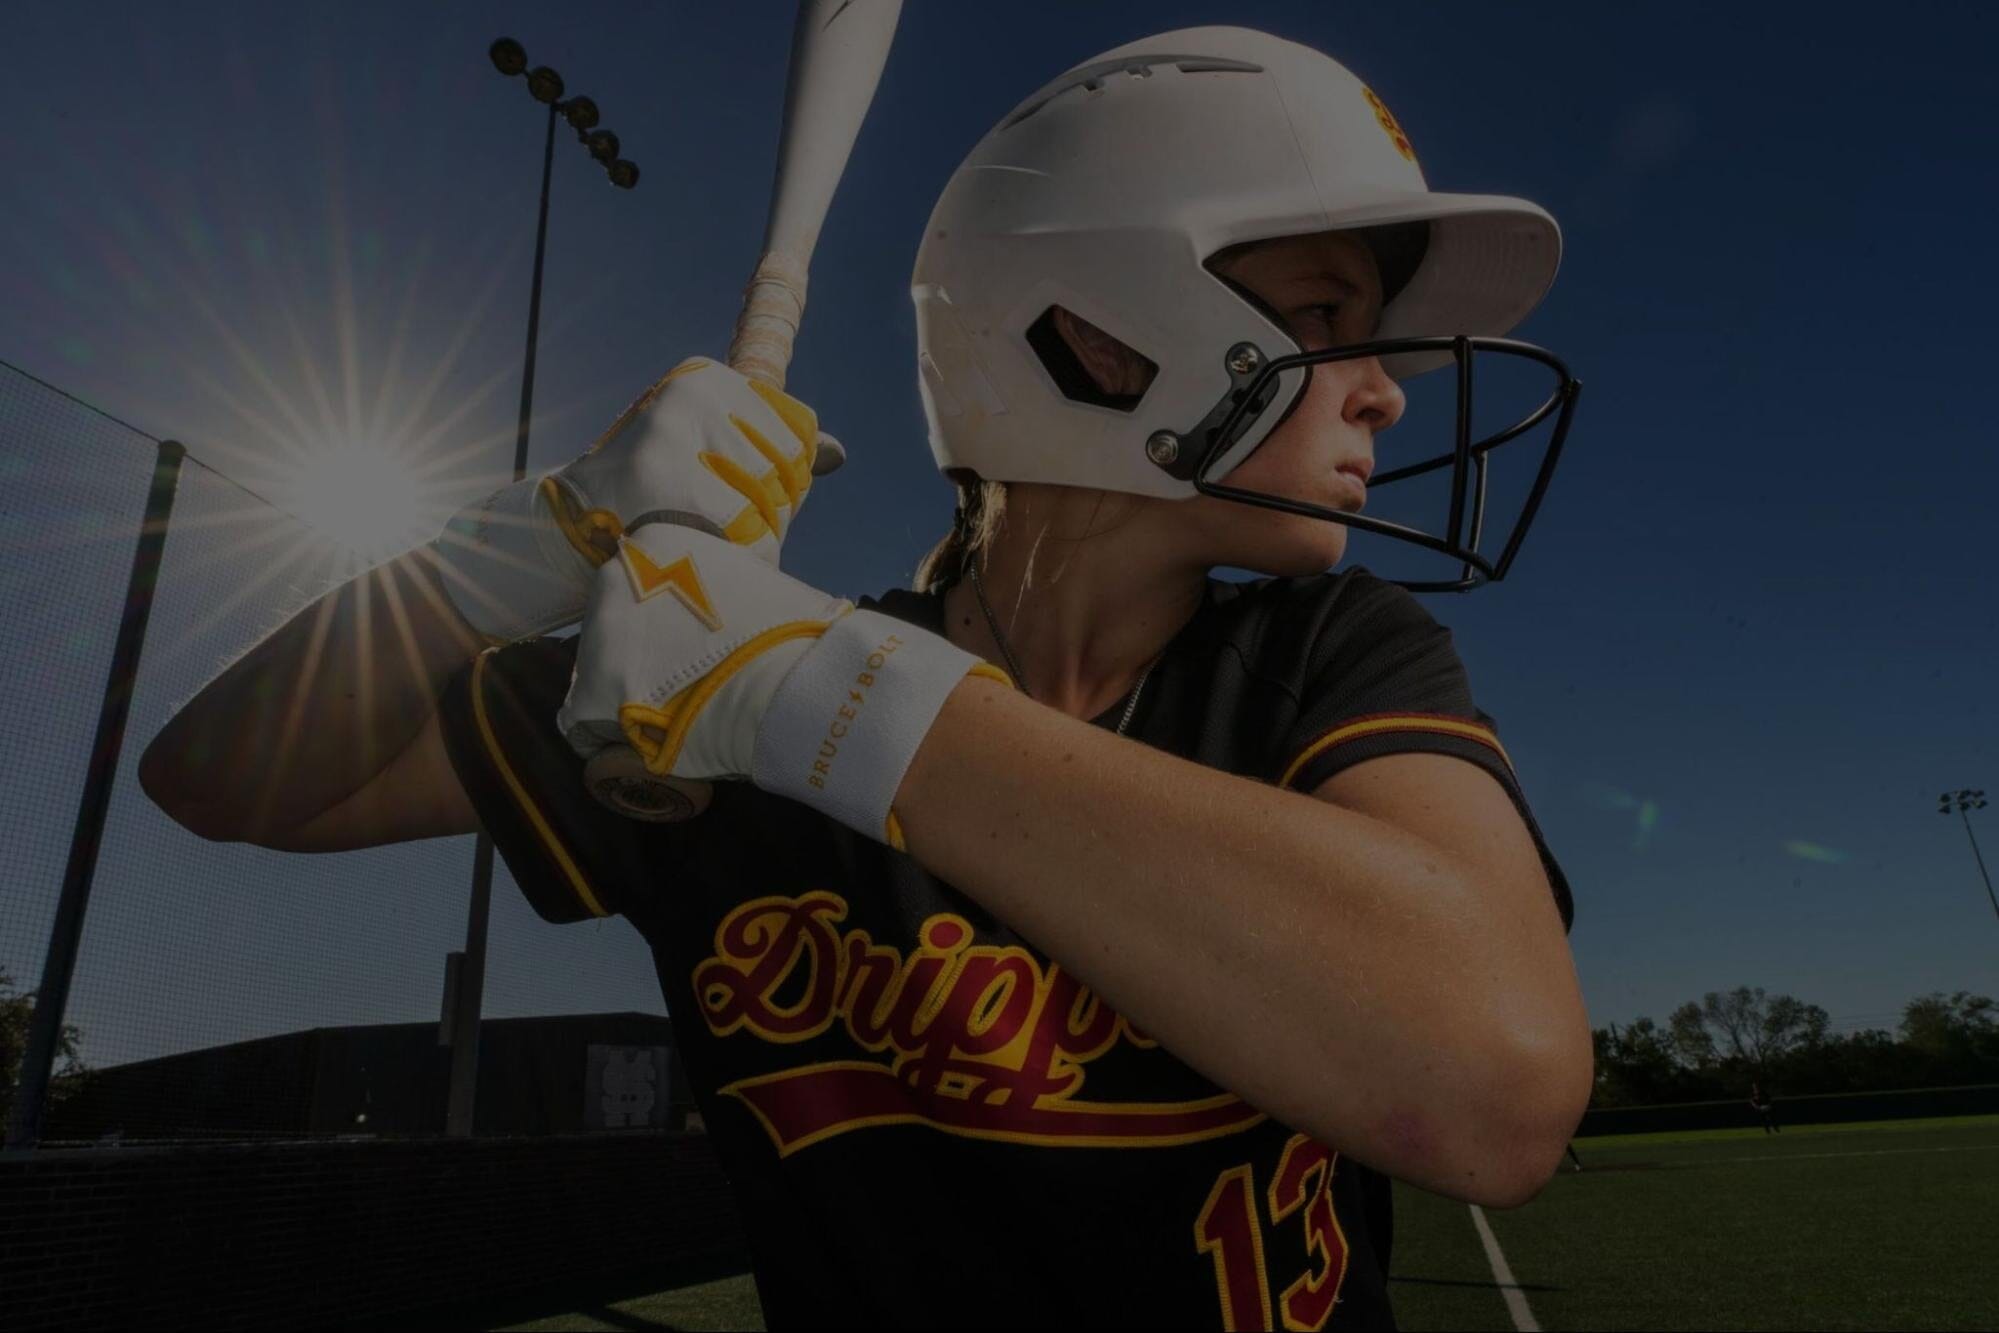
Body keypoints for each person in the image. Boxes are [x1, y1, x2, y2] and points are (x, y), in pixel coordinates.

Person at [141, 27, 1590, 1330]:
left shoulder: (1324, 657)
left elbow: (1501, 1087)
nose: (1387, 388)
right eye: (1327, 316)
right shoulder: (700, 683)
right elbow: (217, 777)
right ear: (1098, 329)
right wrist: (523, 542)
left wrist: (832, 695)